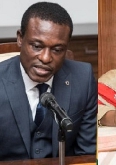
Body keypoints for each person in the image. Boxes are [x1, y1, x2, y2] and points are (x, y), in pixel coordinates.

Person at [0, 2, 97, 161]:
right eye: (37, 46)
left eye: (57, 50)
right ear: (20, 38)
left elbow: (86, 154)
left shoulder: (83, 78)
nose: (46, 58)